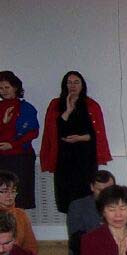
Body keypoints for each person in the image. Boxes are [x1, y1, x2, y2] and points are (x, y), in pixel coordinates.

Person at [41, 71, 112, 213]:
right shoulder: (55, 104)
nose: (72, 85)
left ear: (82, 85)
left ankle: (86, 226)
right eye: (69, 82)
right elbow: (54, 131)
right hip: (64, 159)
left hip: (85, 159)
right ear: (64, 85)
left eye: (76, 82)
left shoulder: (91, 105)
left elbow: (96, 135)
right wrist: (68, 110)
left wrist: (81, 138)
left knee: (86, 197)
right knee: (66, 199)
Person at [66, 170, 127, 255]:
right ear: (92, 187)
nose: (105, 194)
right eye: (100, 190)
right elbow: (77, 240)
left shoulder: (123, 205)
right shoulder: (78, 206)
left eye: (108, 189)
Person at [0, 71, 39, 209]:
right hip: (1, 158)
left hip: (20, 158)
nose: (4, 91)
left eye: (7, 87)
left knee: (19, 198)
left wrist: (12, 145)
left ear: (15, 87)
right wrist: (4, 123)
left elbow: (33, 132)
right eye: (1, 88)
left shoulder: (26, 108)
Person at [0, 171, 36, 255]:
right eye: (4, 191)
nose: (10, 195)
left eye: (13, 191)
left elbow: (30, 247)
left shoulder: (21, 214)